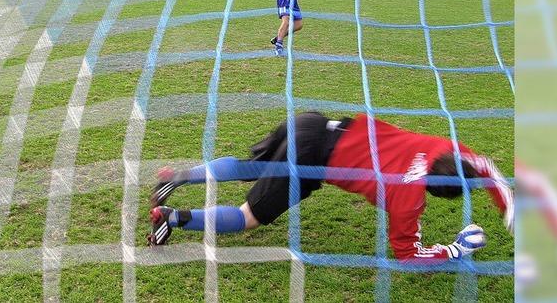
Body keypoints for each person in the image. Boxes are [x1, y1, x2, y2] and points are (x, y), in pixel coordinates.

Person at [148, 111, 513, 262]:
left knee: (252, 166)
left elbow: (487, 169)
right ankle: (173, 218)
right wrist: (456, 249)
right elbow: (407, 256)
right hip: (311, 160)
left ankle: (177, 178)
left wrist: (509, 207)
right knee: (248, 218)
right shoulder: (409, 199)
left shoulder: (447, 148)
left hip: (313, 124)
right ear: (435, 193)